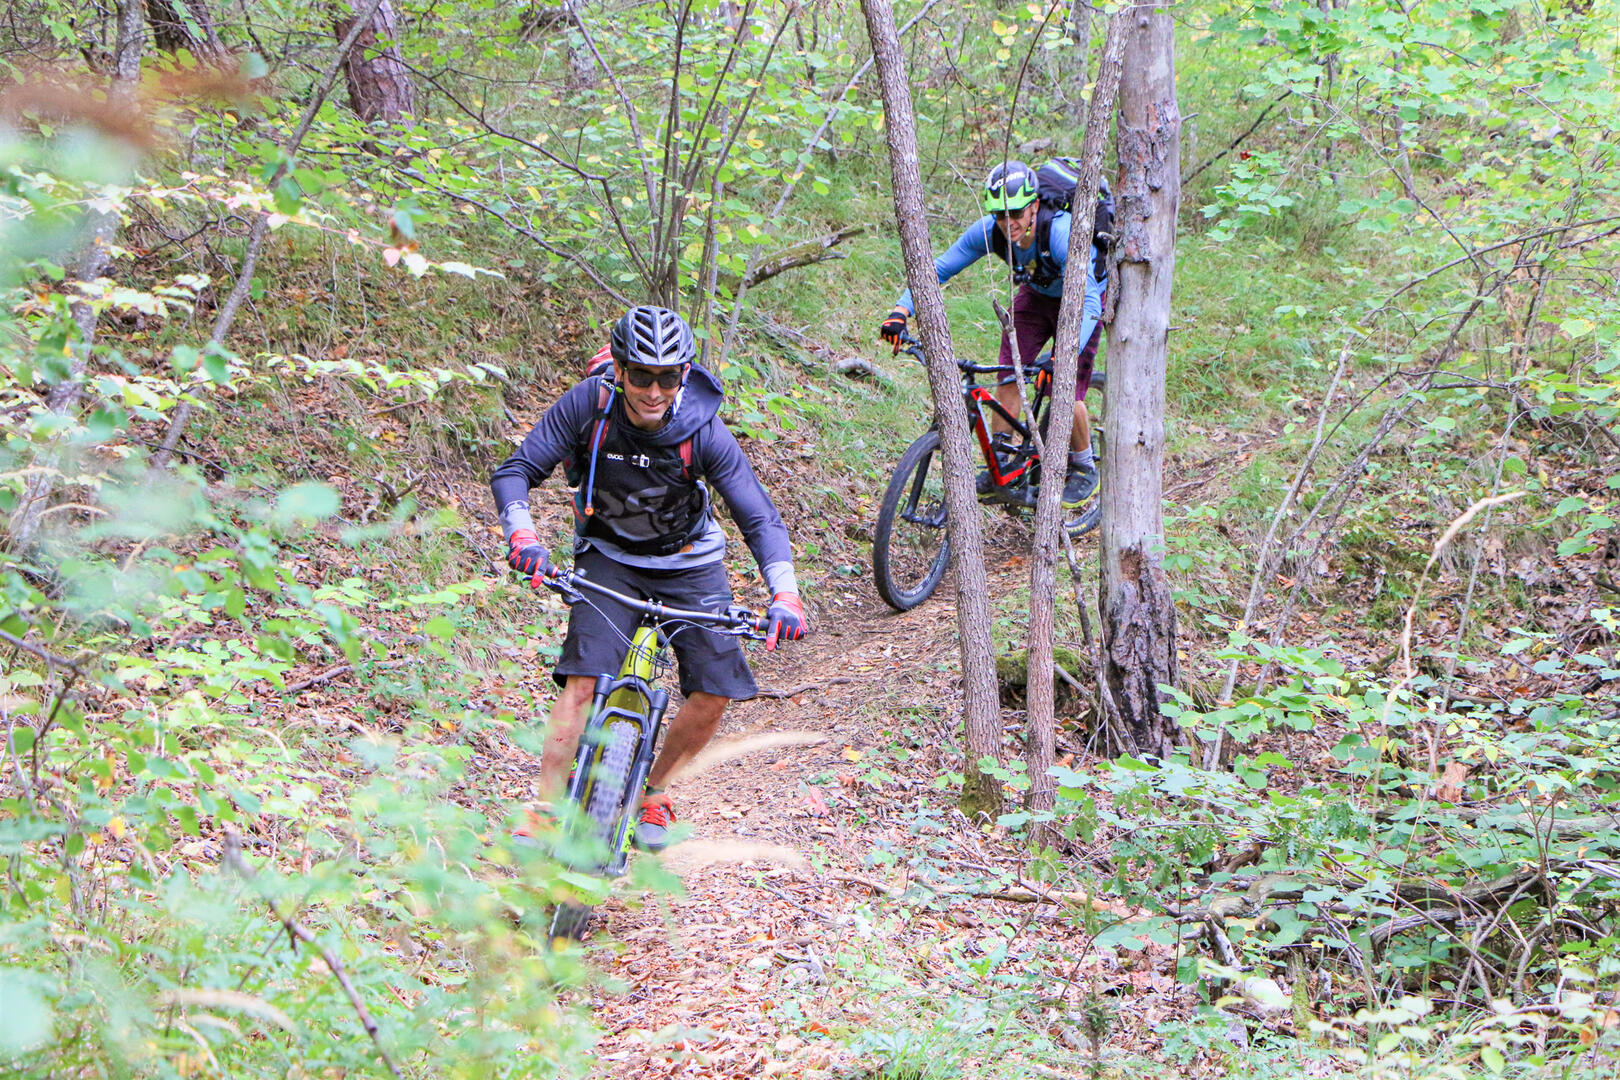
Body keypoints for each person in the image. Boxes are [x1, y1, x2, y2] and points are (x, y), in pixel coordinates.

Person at [489, 305, 807, 852]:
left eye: (667, 376)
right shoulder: (589, 407)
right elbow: (516, 471)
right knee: (584, 677)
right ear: (618, 368)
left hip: (689, 562)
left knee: (714, 690)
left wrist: (786, 595)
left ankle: (653, 792)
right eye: (641, 375)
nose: (654, 391)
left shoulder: (703, 430)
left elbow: (759, 517)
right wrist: (523, 536)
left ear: (684, 374)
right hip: (609, 555)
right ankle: (544, 805)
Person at [879, 159, 1103, 508]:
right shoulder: (991, 231)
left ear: (1034, 206)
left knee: (1064, 387)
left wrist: (1064, 355)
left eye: (1016, 212)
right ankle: (1003, 459)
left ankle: (1085, 466)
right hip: (1039, 293)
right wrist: (900, 310)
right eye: (1000, 214)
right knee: (1008, 375)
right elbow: (937, 269)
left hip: (1084, 301)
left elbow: (1089, 298)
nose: (1008, 222)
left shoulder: (1060, 232)